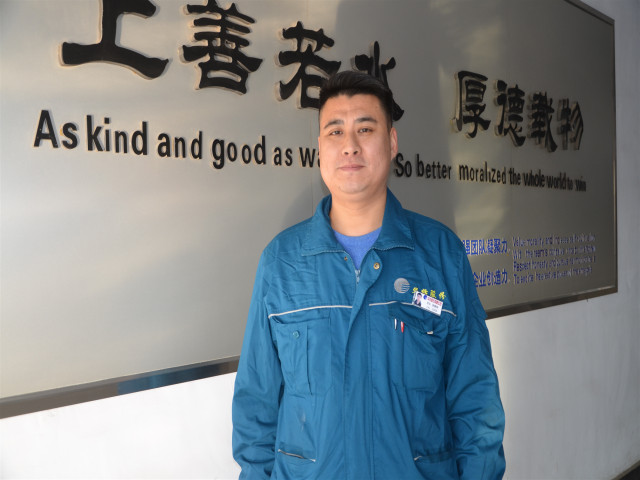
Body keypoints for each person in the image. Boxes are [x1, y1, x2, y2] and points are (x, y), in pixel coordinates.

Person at [232, 71, 505, 479]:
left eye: (365, 128)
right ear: (320, 148)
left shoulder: (440, 254)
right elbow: (256, 408)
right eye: (335, 131)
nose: (350, 146)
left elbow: (475, 400)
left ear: (391, 142)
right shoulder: (282, 263)